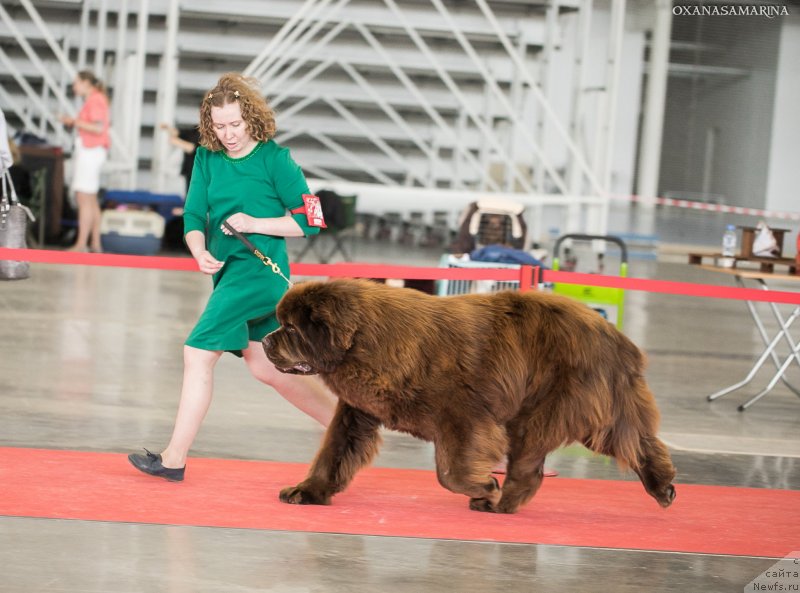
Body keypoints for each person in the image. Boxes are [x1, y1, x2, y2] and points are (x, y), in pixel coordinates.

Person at [129, 72, 338, 481]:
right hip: (226, 275)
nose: (229, 134)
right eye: (220, 126)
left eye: (236, 125)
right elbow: (193, 215)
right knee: (265, 368)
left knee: (197, 353)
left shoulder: (276, 159)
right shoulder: (207, 158)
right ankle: (344, 428)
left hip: (258, 275)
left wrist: (256, 222)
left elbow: (312, 221)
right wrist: (199, 250)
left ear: (252, 118)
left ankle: (174, 459)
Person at [59, 70, 110, 253]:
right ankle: (95, 243)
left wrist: (74, 121)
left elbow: (97, 128)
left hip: (90, 150)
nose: (74, 87)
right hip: (94, 150)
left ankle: (81, 244)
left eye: (76, 83)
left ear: (86, 83)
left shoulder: (95, 99)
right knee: (91, 198)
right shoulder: (97, 98)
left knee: (83, 196)